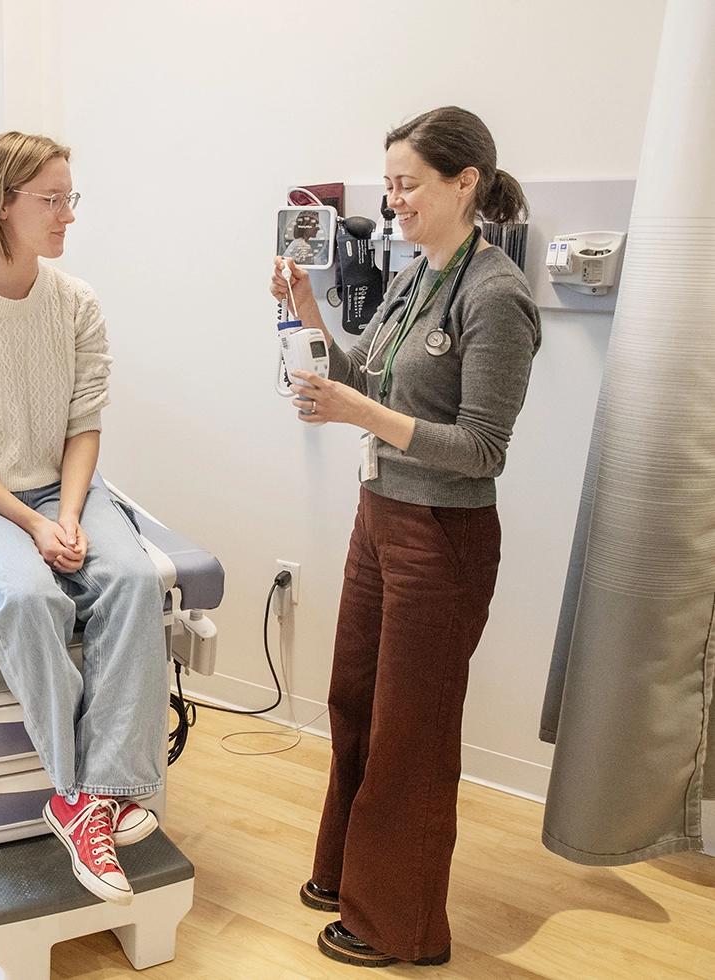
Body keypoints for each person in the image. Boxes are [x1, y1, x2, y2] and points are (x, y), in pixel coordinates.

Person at [270, 106, 541, 967]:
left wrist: (360, 414)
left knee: (410, 732)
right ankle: (348, 874)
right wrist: (310, 312)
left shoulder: (497, 296)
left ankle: (400, 926)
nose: (392, 202)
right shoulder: (415, 274)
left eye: (407, 184)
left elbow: (480, 449)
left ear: (466, 183)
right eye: (387, 185)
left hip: (443, 538)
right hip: (380, 520)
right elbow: (361, 379)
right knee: (353, 700)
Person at [0, 132, 168, 907]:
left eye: (69, 198)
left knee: (129, 578)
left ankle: (94, 798)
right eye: (51, 200)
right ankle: (83, 791)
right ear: (1, 205)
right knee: (30, 597)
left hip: (62, 487)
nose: (67, 216)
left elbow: (85, 421)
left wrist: (74, 512)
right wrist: (32, 524)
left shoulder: (76, 302)